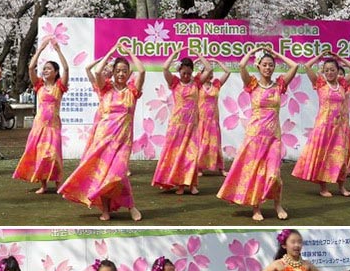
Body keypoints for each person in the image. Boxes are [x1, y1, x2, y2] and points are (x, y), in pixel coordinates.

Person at [59, 43, 145, 221]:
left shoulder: (132, 91)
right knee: (103, 176)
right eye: (118, 70)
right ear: (113, 73)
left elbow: (142, 71)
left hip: (123, 141)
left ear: (129, 73)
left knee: (119, 174)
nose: (121, 74)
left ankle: (131, 207)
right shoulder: (105, 89)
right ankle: (105, 210)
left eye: (124, 70)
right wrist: (111, 52)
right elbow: (97, 72)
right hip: (103, 139)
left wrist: (128, 52)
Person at [217, 46, 298, 221]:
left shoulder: (279, 85)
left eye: (271, 65)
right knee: (255, 172)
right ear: (259, 67)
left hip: (274, 137)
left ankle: (277, 205)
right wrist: (254, 51)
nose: (268, 68)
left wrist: (276, 54)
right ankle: (256, 207)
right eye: (265, 65)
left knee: (274, 174)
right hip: (255, 136)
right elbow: (241, 66)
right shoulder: (252, 84)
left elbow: (295, 66)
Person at [292, 51, 350, 197]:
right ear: (323, 71)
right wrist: (319, 56)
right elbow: (307, 66)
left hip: (340, 127)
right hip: (324, 127)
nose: (329, 72)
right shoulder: (320, 83)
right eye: (326, 70)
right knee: (324, 157)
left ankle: (342, 187)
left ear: (337, 71)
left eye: (332, 70)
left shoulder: (342, 84)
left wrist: (339, 58)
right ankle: (323, 188)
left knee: (341, 158)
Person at [13, 37, 69, 194]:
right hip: (39, 126)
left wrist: (58, 50)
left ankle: (58, 184)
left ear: (56, 72)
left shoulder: (60, 86)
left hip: (54, 125)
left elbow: (66, 69)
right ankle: (43, 184)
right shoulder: (39, 86)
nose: (45, 71)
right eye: (44, 68)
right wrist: (40, 49)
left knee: (54, 155)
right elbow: (31, 68)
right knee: (40, 154)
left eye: (49, 68)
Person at [152, 50, 212, 195]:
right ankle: (179, 184)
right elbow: (165, 68)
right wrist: (176, 53)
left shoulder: (197, 82)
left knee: (191, 154)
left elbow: (209, 69)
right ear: (179, 71)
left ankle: (191, 184)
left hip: (192, 124)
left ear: (192, 72)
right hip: (176, 124)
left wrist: (198, 54)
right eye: (183, 73)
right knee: (177, 154)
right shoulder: (174, 82)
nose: (186, 76)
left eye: (188, 73)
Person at [197, 59, 230, 177]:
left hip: (213, 119)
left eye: (211, 72)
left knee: (215, 144)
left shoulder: (216, 84)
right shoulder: (197, 84)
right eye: (207, 71)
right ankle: (199, 167)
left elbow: (227, 72)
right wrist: (198, 61)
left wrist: (217, 61)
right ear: (201, 73)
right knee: (201, 143)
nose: (210, 74)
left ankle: (220, 168)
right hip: (201, 119)